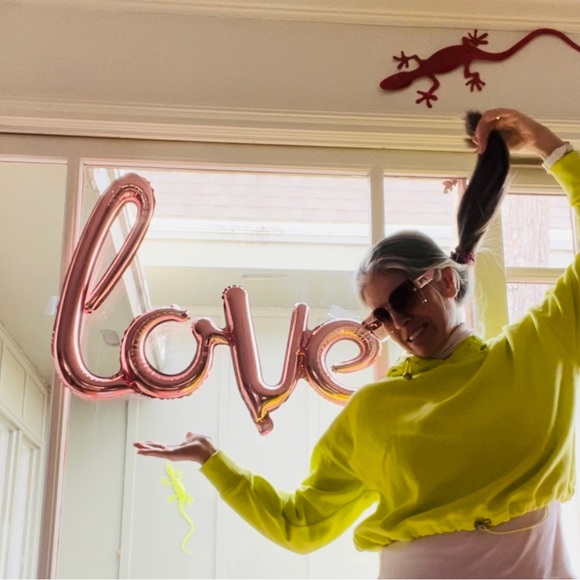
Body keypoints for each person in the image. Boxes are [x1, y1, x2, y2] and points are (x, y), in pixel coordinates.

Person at [134, 108, 578, 579]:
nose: (399, 321)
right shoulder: (373, 411)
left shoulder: (534, 353)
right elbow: (300, 526)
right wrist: (212, 460)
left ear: (447, 282)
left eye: (404, 296)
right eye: (381, 316)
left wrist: (546, 144)